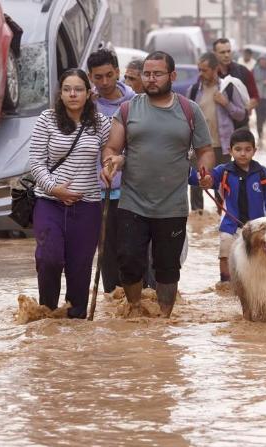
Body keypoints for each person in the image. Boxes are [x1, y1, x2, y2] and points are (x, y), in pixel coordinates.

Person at [101, 51, 215, 318]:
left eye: (157, 74)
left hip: (172, 205)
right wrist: (111, 162)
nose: (151, 79)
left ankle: (164, 320)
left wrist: (205, 171)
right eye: (147, 74)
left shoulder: (189, 110)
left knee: (167, 268)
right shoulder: (128, 109)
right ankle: (135, 310)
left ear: (172, 76)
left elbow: (205, 150)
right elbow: (112, 147)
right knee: (128, 262)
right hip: (133, 202)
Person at [29, 68, 111, 319]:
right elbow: (35, 162)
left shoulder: (101, 123)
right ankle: (48, 314)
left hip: (87, 207)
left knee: (80, 268)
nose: (72, 94)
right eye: (67, 89)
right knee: (49, 258)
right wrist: (55, 189)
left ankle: (75, 324)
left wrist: (109, 167)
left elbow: (113, 151)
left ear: (88, 93)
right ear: (60, 93)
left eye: (78, 89)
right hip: (49, 202)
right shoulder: (47, 119)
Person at [188, 128, 266, 284]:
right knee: (225, 253)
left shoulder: (262, 173)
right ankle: (225, 283)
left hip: (257, 228)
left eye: (247, 149)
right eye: (238, 149)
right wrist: (190, 171)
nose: (243, 153)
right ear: (230, 151)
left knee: (259, 256)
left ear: (254, 151)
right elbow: (203, 179)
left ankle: (256, 284)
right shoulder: (223, 172)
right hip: (230, 225)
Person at [86, 49, 136, 294]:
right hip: (98, 193)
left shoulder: (135, 103)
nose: (104, 82)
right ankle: (112, 304)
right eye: (98, 77)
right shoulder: (86, 106)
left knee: (132, 253)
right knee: (106, 255)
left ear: (118, 72)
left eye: (109, 75)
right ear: (90, 77)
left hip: (132, 192)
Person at [187, 52, 246, 213]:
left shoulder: (228, 88)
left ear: (216, 69)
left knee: (221, 185)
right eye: (199, 70)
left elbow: (241, 114)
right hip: (199, 146)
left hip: (222, 145)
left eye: (204, 70)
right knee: (196, 184)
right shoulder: (193, 91)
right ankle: (198, 219)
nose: (201, 73)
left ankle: (222, 217)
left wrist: (226, 103)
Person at [213, 38, 259, 122]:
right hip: (218, 126)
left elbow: (255, 98)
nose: (226, 55)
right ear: (214, 54)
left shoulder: (243, 72)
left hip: (239, 125)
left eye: (228, 51)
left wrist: (243, 110)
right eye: (222, 52)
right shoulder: (210, 74)